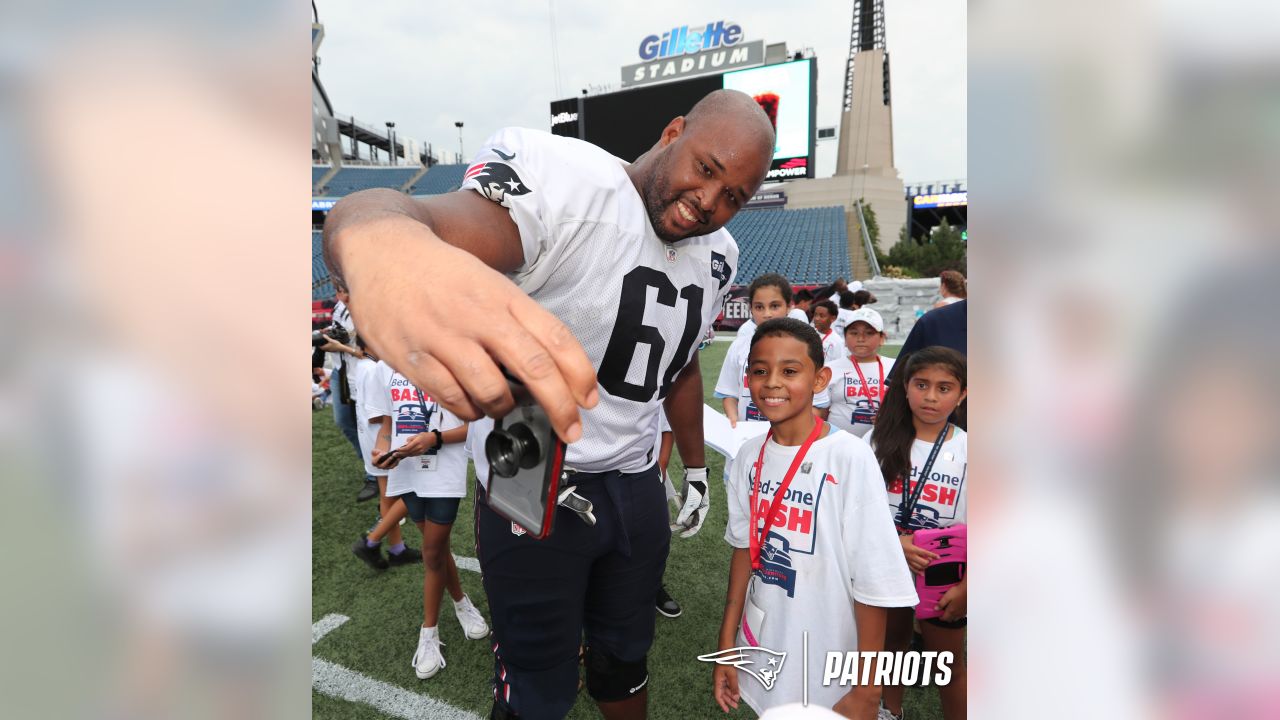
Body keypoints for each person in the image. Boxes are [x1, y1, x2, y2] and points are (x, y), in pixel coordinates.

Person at [324, 88, 775, 720]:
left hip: (636, 477)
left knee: (625, 662)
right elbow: (407, 217)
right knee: (536, 681)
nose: (710, 201)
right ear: (673, 132)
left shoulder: (720, 257)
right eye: (706, 169)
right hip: (530, 469)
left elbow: (678, 369)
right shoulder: (569, 185)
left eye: (735, 196)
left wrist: (695, 467)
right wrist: (377, 236)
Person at [714, 318, 917, 717]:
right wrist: (727, 644)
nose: (772, 382)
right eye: (759, 370)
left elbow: (874, 580)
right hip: (765, 646)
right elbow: (743, 550)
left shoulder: (849, 457)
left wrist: (868, 689)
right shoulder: (748, 457)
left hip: (830, 658)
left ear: (820, 378)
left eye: (790, 371)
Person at [365, 361, 491, 680]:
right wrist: (380, 450)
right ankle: (461, 602)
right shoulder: (384, 367)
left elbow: (475, 426)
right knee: (437, 550)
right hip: (405, 468)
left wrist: (433, 438)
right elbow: (387, 427)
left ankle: (429, 632)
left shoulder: (451, 358)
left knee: (432, 552)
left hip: (444, 470)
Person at [866, 347, 969, 720]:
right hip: (885, 563)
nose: (930, 396)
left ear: (963, 395)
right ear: (905, 387)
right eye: (921, 384)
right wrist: (896, 544)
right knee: (892, 647)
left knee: (948, 664)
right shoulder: (875, 443)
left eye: (944, 388)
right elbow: (855, 513)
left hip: (945, 574)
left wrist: (969, 586)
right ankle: (890, 712)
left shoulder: (970, 449)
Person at [318, 290, 380, 503]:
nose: (338, 291)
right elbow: (343, 332)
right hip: (341, 371)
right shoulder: (339, 305)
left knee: (369, 427)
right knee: (344, 422)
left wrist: (340, 346)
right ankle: (371, 465)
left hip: (362, 374)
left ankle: (375, 476)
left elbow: (373, 353)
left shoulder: (368, 306)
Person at [715, 274, 794, 428]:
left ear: (788, 307)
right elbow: (730, 393)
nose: (767, 314)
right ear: (750, 309)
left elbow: (815, 403)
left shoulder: (803, 347)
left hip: (789, 438)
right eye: (759, 307)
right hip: (747, 436)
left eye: (775, 306)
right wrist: (733, 419)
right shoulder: (739, 346)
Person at [815, 308, 893, 438]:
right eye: (854, 333)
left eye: (869, 333)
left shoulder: (895, 367)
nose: (861, 338)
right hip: (838, 444)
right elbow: (819, 411)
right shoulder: (829, 370)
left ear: (881, 338)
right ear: (844, 338)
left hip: (885, 443)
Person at [809, 300, 844, 364]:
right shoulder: (809, 334)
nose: (816, 318)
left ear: (833, 318)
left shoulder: (837, 342)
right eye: (815, 315)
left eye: (822, 316)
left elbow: (838, 364)